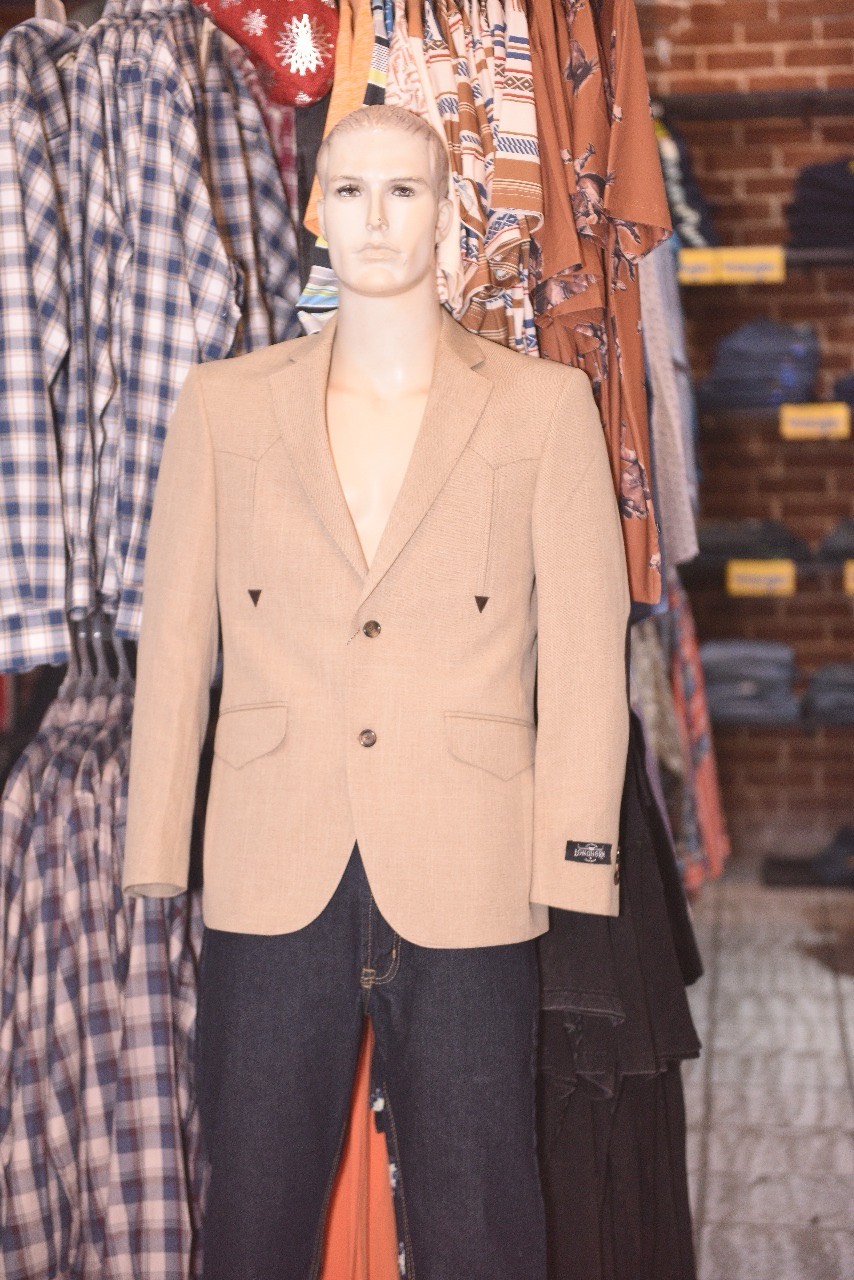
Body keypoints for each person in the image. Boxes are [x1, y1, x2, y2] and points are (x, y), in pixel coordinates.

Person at [123, 104, 630, 1280]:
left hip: (466, 857)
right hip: (271, 857)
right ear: (315, 209)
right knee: (253, 1209)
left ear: (445, 214)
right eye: (348, 190)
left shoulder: (539, 408)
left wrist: (573, 855)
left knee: (479, 1212)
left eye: (403, 190)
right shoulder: (225, 406)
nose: (373, 218)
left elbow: (583, 649)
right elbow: (174, 640)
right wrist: (156, 842)